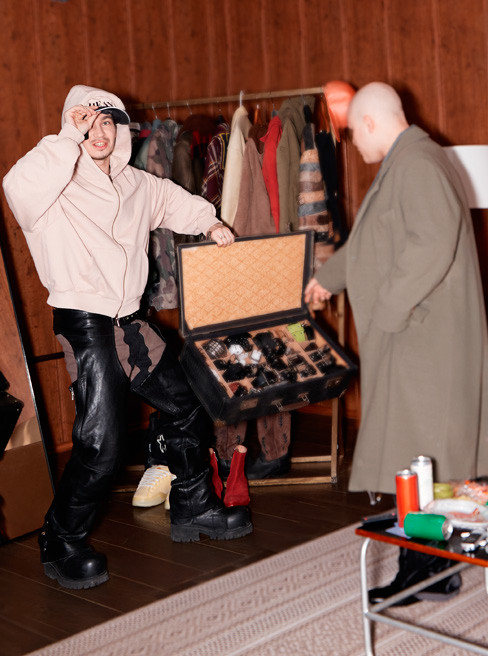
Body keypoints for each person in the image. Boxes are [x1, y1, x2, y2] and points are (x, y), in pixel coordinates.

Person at [2, 84, 253, 590]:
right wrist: (66, 136)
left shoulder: (137, 182)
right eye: (88, 123)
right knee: (101, 444)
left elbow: (174, 201)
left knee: (187, 405)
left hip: (131, 322)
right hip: (85, 321)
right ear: (73, 126)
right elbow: (17, 187)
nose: (99, 132)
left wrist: (211, 225)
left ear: (121, 130)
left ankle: (193, 503)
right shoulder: (53, 184)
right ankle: (60, 539)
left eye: (108, 123)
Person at [305, 81, 488, 604]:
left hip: (423, 339)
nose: (352, 144)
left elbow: (431, 244)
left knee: (423, 455)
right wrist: (328, 279)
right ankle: (431, 568)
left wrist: (387, 310)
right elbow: (372, 241)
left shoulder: (418, 164)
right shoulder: (407, 161)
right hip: (417, 336)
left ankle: (425, 569)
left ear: (370, 122)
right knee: (422, 457)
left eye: (353, 133)